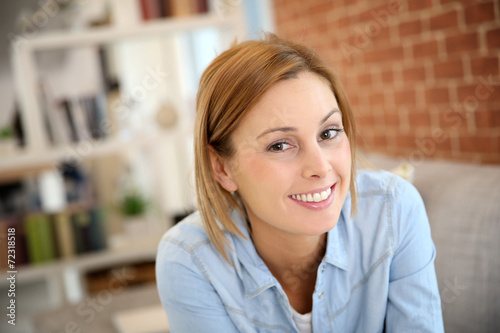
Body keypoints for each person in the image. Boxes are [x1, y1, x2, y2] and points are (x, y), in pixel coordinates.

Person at [155, 34, 444, 332]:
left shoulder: (393, 210)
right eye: (280, 145)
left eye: (328, 133)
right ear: (222, 168)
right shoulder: (189, 259)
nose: (320, 167)